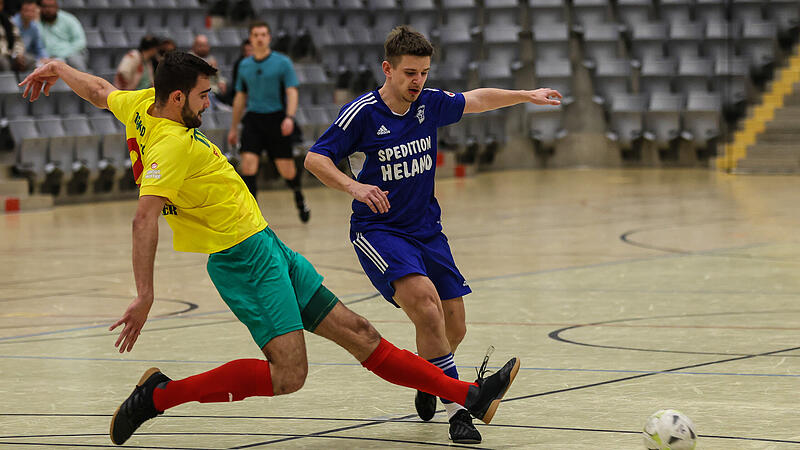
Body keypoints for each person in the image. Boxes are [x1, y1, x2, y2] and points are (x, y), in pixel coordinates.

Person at [19, 51, 521, 447]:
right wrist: (145, 294)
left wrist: (60, 68)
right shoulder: (170, 147)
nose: (207, 104)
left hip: (266, 245)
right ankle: (160, 396)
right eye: (202, 96)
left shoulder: (143, 105)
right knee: (290, 375)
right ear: (176, 99)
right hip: (242, 259)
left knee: (360, 332)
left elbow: (102, 91)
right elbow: (143, 217)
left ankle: (469, 395)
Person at [304, 25, 561, 444]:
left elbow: (476, 99)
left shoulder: (429, 104)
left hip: (427, 229)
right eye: (409, 73)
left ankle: (430, 382)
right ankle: (461, 410)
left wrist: (525, 95)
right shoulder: (363, 113)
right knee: (426, 307)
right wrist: (355, 186)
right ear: (387, 69)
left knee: (454, 325)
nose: (417, 81)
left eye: (423, 72)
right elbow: (316, 158)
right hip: (379, 228)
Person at [227, 21, 309, 223]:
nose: (260, 38)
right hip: (253, 120)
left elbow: (292, 91)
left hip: (277, 119)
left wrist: (289, 117)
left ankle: (299, 196)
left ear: (269, 37)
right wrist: (233, 127)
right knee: (248, 166)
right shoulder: (244, 65)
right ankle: (252, 215)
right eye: (256, 35)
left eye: (263, 34)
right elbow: (240, 97)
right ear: (251, 39)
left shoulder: (282, 63)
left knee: (286, 169)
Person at [37, 0, 87, 71]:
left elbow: (80, 42)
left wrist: (61, 55)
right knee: (36, 64)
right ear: (40, 8)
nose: (48, 10)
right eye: (45, 6)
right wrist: (46, 57)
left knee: (75, 60)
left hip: (68, 54)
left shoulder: (69, 19)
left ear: (57, 7)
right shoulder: (36, 22)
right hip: (46, 57)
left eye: (51, 6)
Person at [189, 33, 227, 102]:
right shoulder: (189, 58)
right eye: (200, 46)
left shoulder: (211, 58)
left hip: (215, 90)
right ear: (194, 46)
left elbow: (219, 76)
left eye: (205, 45)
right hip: (202, 91)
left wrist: (222, 82)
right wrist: (207, 68)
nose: (203, 48)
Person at [11, 0, 47, 70]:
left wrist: (45, 58)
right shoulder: (12, 23)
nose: (30, 14)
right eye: (27, 11)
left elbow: (39, 47)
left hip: (28, 57)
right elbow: (9, 45)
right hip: (13, 55)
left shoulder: (34, 26)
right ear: (20, 11)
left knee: (46, 63)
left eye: (33, 11)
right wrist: (16, 55)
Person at [0, 0, 24, 71]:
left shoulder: (7, 20)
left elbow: (18, 40)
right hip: (3, 55)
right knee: (3, 62)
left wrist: (18, 54)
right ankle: (8, 82)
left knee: (30, 61)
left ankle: (29, 82)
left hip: (10, 54)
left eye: (0, 3)